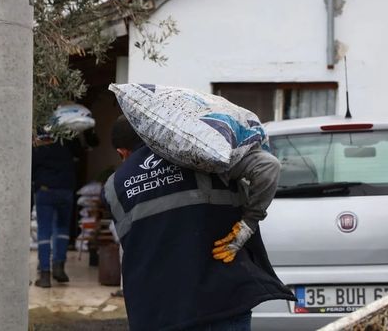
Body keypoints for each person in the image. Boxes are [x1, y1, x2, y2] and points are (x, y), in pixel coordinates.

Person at [102, 115, 295, 330]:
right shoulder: (200, 152)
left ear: (122, 153)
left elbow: (132, 246)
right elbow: (268, 166)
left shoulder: (113, 187)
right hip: (224, 300)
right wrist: (248, 223)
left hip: (160, 311)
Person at [31, 131, 81, 287]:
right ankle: (59, 268)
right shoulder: (68, 138)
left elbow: (31, 165)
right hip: (66, 188)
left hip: (45, 189)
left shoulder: (39, 142)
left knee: (44, 231)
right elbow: (79, 154)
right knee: (63, 229)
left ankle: (45, 275)